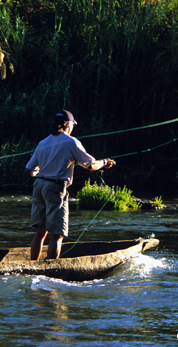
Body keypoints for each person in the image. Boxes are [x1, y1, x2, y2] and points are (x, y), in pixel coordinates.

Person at [25, 110, 116, 261]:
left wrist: (42, 173)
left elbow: (29, 170)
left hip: (38, 186)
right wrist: (105, 162)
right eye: (72, 124)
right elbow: (91, 165)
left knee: (40, 232)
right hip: (54, 187)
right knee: (57, 234)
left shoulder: (43, 142)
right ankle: (50, 269)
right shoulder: (71, 142)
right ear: (67, 125)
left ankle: (32, 265)